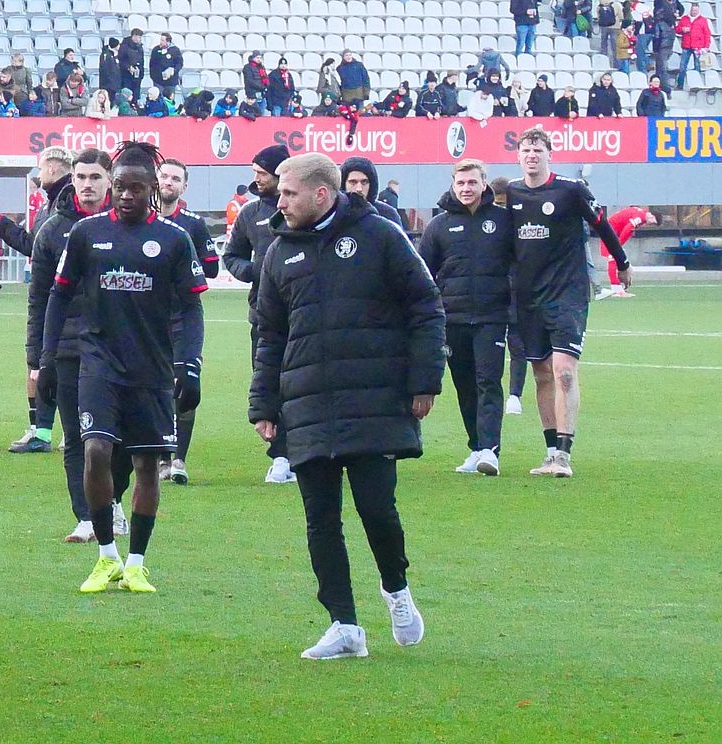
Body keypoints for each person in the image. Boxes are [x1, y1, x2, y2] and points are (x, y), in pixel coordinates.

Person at [251, 152, 443, 661]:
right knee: (320, 519)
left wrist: (424, 380)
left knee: (377, 509)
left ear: (321, 193)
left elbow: (426, 306)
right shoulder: (278, 252)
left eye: (288, 193)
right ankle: (344, 625)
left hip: (373, 398)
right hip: (307, 403)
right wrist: (264, 403)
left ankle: (396, 589)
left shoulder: (380, 236)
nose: (279, 201)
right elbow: (269, 334)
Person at [42, 143, 205, 595]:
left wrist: (190, 364)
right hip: (98, 363)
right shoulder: (87, 233)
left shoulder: (174, 239)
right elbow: (59, 294)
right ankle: (106, 556)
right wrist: (47, 360)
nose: (126, 195)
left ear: (153, 189)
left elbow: (191, 308)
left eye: (136, 188)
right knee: (95, 449)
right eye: (120, 187)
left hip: (152, 368)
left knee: (147, 464)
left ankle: (136, 563)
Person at [506, 129, 628, 478]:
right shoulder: (511, 193)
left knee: (564, 371)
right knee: (541, 373)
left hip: (567, 294)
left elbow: (602, 224)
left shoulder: (571, 190)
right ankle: (549, 453)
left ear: (550, 154)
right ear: (519, 156)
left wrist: (622, 262)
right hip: (528, 298)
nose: (532, 155)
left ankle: (564, 454)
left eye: (538, 149)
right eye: (526, 150)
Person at [418, 158, 515, 477]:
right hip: (452, 319)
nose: (466, 188)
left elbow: (520, 263)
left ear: (484, 184)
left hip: (492, 316)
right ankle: (476, 447)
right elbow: (423, 273)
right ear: (453, 185)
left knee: (488, 381)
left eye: (472, 182)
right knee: (464, 384)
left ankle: (490, 450)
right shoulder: (439, 225)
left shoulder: (503, 220)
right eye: (460, 183)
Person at [0, 146, 76, 456]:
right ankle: (41, 430)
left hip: (65, 297)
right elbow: (32, 246)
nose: (37, 175)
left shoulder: (70, 205)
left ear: (52, 168)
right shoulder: (48, 207)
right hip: (44, 295)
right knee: (37, 359)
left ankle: (72, 429)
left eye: (40, 168)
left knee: (64, 361)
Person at [224, 143, 296, 484]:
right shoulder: (250, 213)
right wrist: (255, 272)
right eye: (255, 172)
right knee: (270, 384)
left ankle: (307, 451)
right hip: (264, 315)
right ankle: (280, 455)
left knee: (306, 384)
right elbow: (232, 256)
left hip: (306, 315)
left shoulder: (303, 208)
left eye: (262, 173)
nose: (257, 179)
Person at [157, 156, 219, 484]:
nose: (168, 182)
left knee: (185, 384)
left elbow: (212, 267)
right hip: (149, 319)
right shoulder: (141, 221)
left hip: (184, 316)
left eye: (175, 179)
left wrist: (185, 260)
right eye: (164, 176)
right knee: (156, 388)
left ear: (184, 186)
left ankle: (179, 459)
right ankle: (162, 458)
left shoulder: (193, 225)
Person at [598, 205, 656, 299]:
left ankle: (618, 288)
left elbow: (628, 228)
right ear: (651, 215)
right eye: (653, 222)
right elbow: (627, 229)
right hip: (609, 232)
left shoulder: (641, 214)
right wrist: (618, 245)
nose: (651, 224)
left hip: (610, 231)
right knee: (612, 259)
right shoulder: (640, 217)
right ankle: (616, 289)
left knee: (614, 259)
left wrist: (619, 245)